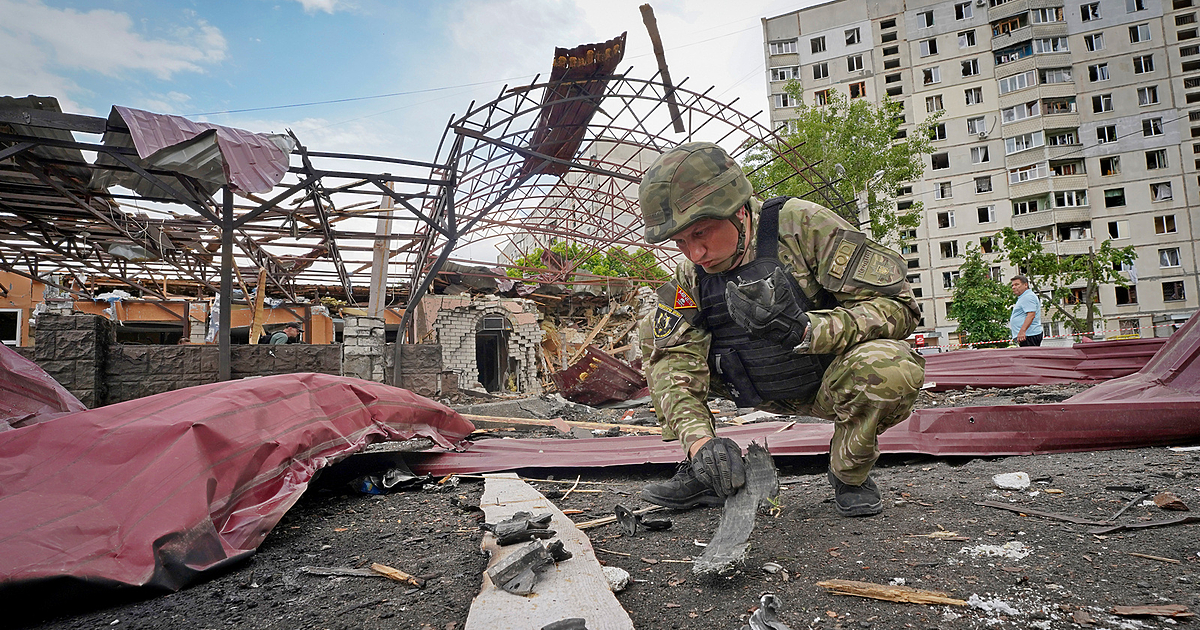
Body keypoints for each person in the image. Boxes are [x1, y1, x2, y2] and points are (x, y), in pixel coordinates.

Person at [636, 142, 925, 517]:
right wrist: (700, 442)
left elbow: (900, 307)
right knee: (657, 338)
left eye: (702, 233)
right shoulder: (689, 275)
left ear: (738, 211)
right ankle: (706, 470)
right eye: (680, 242)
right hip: (746, 382)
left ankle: (849, 473)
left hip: (825, 380)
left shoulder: (802, 227)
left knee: (890, 367)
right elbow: (672, 361)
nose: (695, 254)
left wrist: (809, 330)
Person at [1009, 275, 1043, 347]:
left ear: (1025, 285)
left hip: (1029, 335)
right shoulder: (1024, 297)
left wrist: (1022, 331)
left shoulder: (1028, 297)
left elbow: (1031, 315)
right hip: (1026, 335)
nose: (1013, 287)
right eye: (1012, 285)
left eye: (1017, 284)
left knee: (1030, 354)